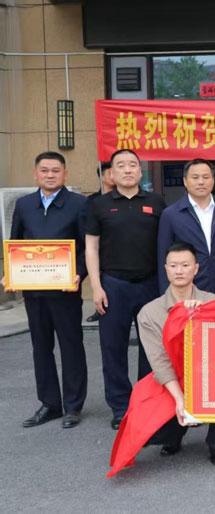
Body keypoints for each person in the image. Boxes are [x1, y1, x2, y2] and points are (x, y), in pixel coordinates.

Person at [85, 148, 166, 429]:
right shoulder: (99, 205)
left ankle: (146, 402)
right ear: (112, 172)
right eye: (121, 165)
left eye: (133, 165)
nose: (128, 170)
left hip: (150, 285)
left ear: (140, 172)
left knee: (151, 348)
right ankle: (120, 407)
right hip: (113, 285)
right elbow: (91, 247)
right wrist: (96, 287)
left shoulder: (156, 202)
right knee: (113, 348)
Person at [6, 151, 87, 429]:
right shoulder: (24, 205)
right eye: (44, 170)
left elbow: (87, 247)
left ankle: (73, 406)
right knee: (41, 348)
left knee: (71, 347)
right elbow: (15, 244)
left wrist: (79, 274)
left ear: (65, 174)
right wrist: (10, 274)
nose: (50, 175)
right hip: (34, 291)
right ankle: (50, 404)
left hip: (66, 290)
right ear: (35, 173)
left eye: (55, 170)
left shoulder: (79, 204)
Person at [138, 242, 215, 465]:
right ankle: (173, 436)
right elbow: (159, 362)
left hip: (208, 376)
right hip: (173, 379)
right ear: (166, 269)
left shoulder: (214, 302)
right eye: (173, 266)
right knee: (155, 434)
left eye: (185, 265)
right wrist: (180, 399)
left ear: (196, 268)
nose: (179, 271)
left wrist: (201, 315)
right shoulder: (149, 312)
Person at [157, 158, 215, 300]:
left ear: (213, 180)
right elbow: (163, 259)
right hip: (187, 293)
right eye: (195, 177)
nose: (201, 182)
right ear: (185, 181)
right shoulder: (171, 215)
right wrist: (167, 298)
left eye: (206, 177)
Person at [85, 161, 114, 323]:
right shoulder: (92, 201)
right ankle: (100, 309)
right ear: (101, 177)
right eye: (109, 172)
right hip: (97, 247)